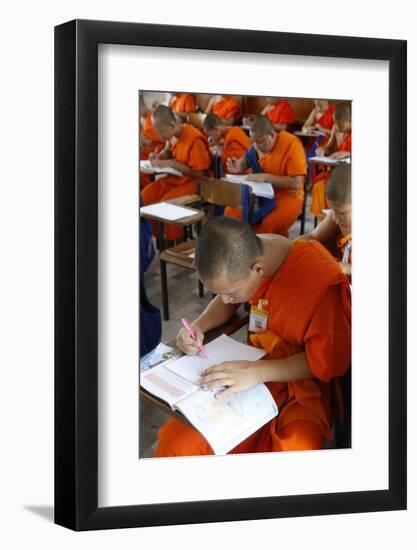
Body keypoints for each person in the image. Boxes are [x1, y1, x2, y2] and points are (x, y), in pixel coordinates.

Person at [155, 216, 351, 457]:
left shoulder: (321, 280)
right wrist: (198, 325)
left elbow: (326, 362)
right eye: (219, 293)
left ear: (258, 270)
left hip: (301, 386)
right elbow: (227, 299)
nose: (225, 300)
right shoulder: (256, 261)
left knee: (293, 453)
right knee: (177, 443)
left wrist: (257, 373)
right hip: (250, 366)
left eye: (229, 293)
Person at [224, 115, 307, 237]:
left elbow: (296, 183)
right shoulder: (257, 145)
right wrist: (238, 166)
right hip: (260, 193)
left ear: (273, 135)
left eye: (261, 142)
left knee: (270, 224)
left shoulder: (291, 145)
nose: (257, 147)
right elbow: (247, 159)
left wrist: (266, 177)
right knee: (231, 212)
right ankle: (240, 250)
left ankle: (267, 253)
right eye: (253, 142)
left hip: (288, 195)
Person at [141, 105, 211, 241]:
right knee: (144, 197)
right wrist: (159, 156)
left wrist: (172, 164)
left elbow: (200, 173)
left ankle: (175, 242)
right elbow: (167, 149)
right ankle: (154, 239)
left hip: (196, 183)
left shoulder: (194, 139)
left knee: (165, 204)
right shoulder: (173, 135)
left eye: (161, 132)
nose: (160, 137)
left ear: (172, 125)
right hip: (175, 179)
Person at [299, 165, 351, 279]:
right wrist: (290, 247)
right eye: (333, 211)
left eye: (342, 213)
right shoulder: (336, 215)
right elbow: (313, 236)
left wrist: (348, 268)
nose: (336, 219)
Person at [310, 103, 352, 219]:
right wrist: (321, 150)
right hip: (336, 172)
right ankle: (324, 220)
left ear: (350, 120)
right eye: (335, 124)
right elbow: (329, 148)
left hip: (350, 174)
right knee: (319, 187)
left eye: (341, 125)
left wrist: (349, 153)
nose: (338, 128)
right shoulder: (336, 129)